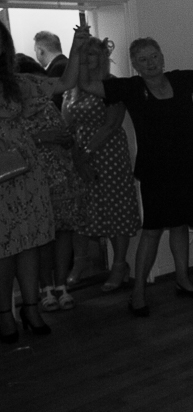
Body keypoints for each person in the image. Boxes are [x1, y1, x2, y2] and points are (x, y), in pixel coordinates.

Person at [80, 36, 193, 316]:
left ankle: (183, 280)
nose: (150, 63)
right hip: (155, 172)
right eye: (143, 59)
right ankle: (138, 293)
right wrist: (79, 49)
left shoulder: (179, 80)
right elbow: (86, 84)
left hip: (188, 167)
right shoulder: (130, 87)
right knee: (152, 231)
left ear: (162, 57)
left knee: (180, 226)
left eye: (154, 56)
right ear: (135, 65)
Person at [1, 22, 81, 343]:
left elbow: (66, 82)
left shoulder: (20, 83)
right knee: (4, 249)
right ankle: (5, 315)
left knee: (30, 243)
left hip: (28, 172)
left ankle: (31, 308)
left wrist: (78, 43)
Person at [63, 36, 141, 292]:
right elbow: (67, 126)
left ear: (103, 58)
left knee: (115, 210)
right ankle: (80, 262)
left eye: (92, 54)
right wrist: (77, 157)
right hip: (79, 154)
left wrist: (86, 153)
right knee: (81, 210)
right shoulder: (72, 88)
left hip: (109, 155)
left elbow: (111, 125)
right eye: (83, 55)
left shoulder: (112, 85)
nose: (87, 59)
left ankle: (119, 265)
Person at [14, 55, 86, 312]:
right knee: (42, 237)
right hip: (34, 179)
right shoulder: (13, 110)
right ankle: (45, 289)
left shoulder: (48, 106)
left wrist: (65, 139)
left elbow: (64, 134)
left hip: (63, 176)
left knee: (64, 233)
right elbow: (13, 145)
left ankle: (61, 286)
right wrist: (43, 138)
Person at [34, 31, 69, 109]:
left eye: (35, 51)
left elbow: (55, 103)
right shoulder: (69, 64)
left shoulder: (57, 69)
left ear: (40, 51)